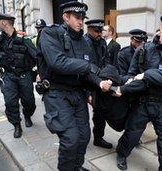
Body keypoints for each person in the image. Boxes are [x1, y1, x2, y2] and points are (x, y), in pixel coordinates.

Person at [38, 1, 112, 170]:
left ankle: (76, 166)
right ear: (66, 16)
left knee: (84, 136)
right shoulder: (50, 34)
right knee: (70, 140)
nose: (81, 22)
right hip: (57, 93)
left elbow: (87, 74)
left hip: (78, 94)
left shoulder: (85, 42)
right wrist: (89, 67)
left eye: (82, 18)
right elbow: (58, 62)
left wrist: (99, 82)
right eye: (77, 17)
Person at [112, 13, 162, 170]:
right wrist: (126, 87)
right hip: (143, 101)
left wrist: (146, 74)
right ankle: (121, 153)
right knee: (132, 133)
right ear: (161, 28)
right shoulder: (144, 49)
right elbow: (131, 75)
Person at [0, 13, 37, 138]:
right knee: (10, 102)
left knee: (29, 101)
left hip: (24, 75)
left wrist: (39, 74)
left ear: (4, 23)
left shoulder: (23, 39)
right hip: (8, 76)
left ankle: (27, 114)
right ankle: (17, 125)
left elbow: (36, 56)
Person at [84, 19, 113, 149]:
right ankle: (79, 139)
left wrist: (106, 76)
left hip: (100, 81)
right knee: (81, 114)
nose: (99, 33)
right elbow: (84, 66)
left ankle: (98, 137)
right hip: (85, 81)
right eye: (96, 31)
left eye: (101, 31)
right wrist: (89, 92)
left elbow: (106, 60)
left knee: (99, 111)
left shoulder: (101, 42)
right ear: (89, 29)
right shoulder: (83, 42)